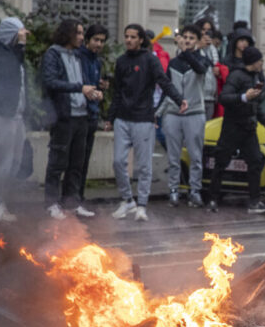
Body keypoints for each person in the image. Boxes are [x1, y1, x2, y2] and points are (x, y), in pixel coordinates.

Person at [109, 24, 186, 222]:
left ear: (141, 39)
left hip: (143, 118)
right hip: (122, 119)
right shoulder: (121, 61)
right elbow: (117, 91)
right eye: (126, 36)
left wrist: (179, 100)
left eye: (133, 37)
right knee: (118, 162)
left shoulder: (150, 60)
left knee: (144, 166)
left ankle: (142, 205)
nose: (128, 40)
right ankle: (128, 200)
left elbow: (164, 81)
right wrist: (110, 117)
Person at [40, 18, 101, 220]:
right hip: (63, 116)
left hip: (81, 116)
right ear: (68, 34)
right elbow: (50, 82)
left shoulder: (77, 55)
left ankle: (71, 203)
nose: (82, 37)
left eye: (83, 33)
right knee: (57, 162)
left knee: (77, 164)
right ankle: (51, 204)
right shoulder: (53, 54)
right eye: (79, 33)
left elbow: (82, 81)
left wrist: (93, 91)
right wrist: (79, 88)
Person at [211, 46, 265, 214]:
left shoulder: (256, 76)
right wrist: (244, 97)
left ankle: (254, 201)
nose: (262, 63)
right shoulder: (236, 75)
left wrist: (264, 120)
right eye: (260, 60)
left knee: (255, 161)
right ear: (253, 62)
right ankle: (213, 198)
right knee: (221, 161)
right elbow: (224, 97)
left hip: (248, 127)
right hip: (232, 126)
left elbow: (256, 103)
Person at [0, 17, 30, 223]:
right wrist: (20, 47)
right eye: (20, 32)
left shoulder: (13, 53)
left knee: (15, 161)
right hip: (1, 116)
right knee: (1, 162)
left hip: (16, 116)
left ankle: (1, 202)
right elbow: (6, 74)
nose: (24, 36)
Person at [159, 23, 210, 208]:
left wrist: (186, 52)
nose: (187, 41)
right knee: (174, 156)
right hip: (173, 113)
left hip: (195, 113)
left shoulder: (202, 60)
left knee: (195, 155)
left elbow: (200, 69)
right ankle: (173, 190)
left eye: (191, 38)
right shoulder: (174, 63)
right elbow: (167, 89)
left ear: (197, 41)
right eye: (185, 37)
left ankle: (195, 190)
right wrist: (157, 113)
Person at [77, 23, 109, 202]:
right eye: (96, 40)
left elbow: (93, 83)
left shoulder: (97, 61)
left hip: (92, 114)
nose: (99, 44)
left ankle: (79, 197)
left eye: (102, 41)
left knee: (85, 159)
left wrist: (101, 86)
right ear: (87, 40)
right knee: (76, 160)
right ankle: (72, 198)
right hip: (80, 114)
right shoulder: (79, 57)